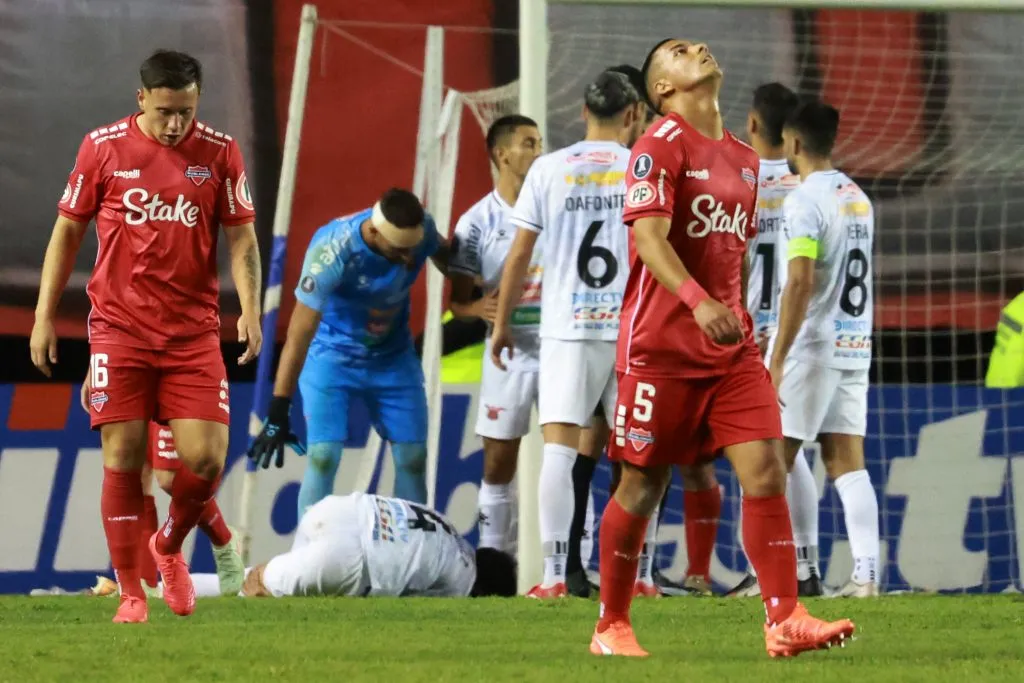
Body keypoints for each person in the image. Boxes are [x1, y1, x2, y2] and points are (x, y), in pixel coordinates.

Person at [593, 38, 854, 658]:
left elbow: (728, 251)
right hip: (661, 346)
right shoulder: (657, 146)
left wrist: (732, 313)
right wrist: (697, 302)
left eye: (700, 45)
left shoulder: (742, 157)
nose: (701, 49)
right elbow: (650, 240)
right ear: (662, 87)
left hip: (731, 348)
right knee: (642, 486)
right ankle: (611, 623)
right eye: (682, 52)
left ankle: (785, 618)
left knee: (767, 467)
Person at [32, 50, 262, 623]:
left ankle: (167, 546)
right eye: (164, 111)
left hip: (192, 335)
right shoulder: (103, 147)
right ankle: (133, 593)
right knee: (123, 457)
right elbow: (67, 231)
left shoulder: (220, 153)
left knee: (204, 461)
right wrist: (43, 314)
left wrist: (251, 310)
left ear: (197, 100)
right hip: (119, 328)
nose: (174, 124)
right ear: (142, 100)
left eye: (184, 110)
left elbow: (242, 239)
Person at [492, 71, 639, 598]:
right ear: (633, 116)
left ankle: (554, 575)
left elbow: (519, 255)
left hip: (567, 329)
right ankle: (638, 576)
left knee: (558, 451)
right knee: (638, 453)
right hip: (630, 331)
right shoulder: (644, 168)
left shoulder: (549, 170)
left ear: (583, 112)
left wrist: (503, 322)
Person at [246, 188, 451, 515]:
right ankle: (312, 555)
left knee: (413, 459)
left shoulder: (419, 232)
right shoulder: (331, 249)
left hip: (393, 358)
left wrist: (469, 295)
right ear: (373, 231)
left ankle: (411, 555)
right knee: (324, 456)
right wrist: (278, 409)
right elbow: (299, 334)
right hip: (331, 357)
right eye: (400, 251)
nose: (410, 260)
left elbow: (444, 251)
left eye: (413, 250)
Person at [768, 100, 879, 598]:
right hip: (855, 343)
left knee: (775, 454)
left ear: (792, 144)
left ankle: (788, 574)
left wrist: (776, 356)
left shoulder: (803, 200)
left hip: (811, 346)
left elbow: (798, 281)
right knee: (845, 462)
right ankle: (867, 577)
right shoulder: (858, 197)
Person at [727, 83, 824, 599]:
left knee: (763, 456)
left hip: (748, 331)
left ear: (751, 123)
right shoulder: (805, 184)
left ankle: (772, 572)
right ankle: (803, 565)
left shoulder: (733, 174)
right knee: (789, 452)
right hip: (794, 327)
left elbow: (731, 253)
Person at [448, 114, 542, 556]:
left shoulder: (554, 206)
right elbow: (458, 302)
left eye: (539, 142)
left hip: (562, 347)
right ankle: (493, 559)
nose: (537, 151)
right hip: (510, 352)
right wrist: (477, 308)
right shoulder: (475, 223)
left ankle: (569, 564)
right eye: (528, 143)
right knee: (499, 462)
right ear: (501, 154)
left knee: (575, 455)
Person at [76, 378, 245, 598]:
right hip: (128, 364)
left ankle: (222, 538)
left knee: (169, 479)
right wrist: (93, 370)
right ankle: (146, 582)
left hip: (169, 367)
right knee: (136, 471)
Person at [178, 494, 517, 598]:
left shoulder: (448, 527)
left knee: (256, 584)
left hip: (338, 510)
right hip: (350, 559)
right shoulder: (461, 585)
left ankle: (154, 587)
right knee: (251, 588)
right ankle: (155, 589)